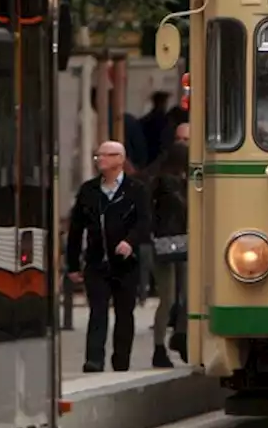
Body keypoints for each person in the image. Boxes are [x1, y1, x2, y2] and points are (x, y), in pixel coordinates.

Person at [66, 141, 152, 372]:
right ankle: (94, 359)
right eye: (97, 156)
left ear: (119, 159)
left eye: (104, 156)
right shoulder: (89, 191)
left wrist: (129, 242)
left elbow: (144, 223)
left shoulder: (136, 190)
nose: (99, 160)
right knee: (98, 311)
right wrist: (73, 264)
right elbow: (76, 229)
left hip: (126, 263)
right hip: (97, 261)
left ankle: (121, 359)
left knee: (125, 313)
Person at [148, 141, 189, 367]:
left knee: (172, 298)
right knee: (174, 298)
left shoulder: (161, 183)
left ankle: (164, 345)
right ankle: (167, 343)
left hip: (166, 243)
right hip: (174, 242)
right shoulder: (171, 186)